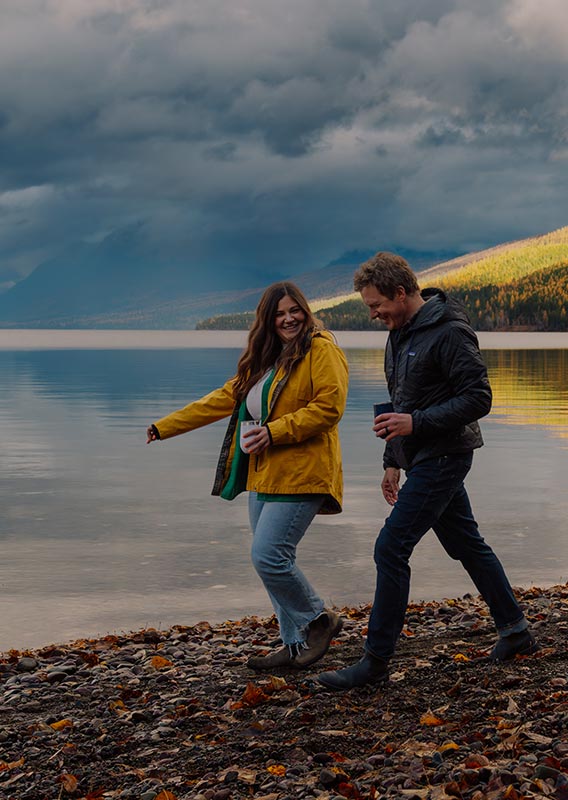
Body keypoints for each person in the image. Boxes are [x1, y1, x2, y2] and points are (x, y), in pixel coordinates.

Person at [316, 252, 538, 691]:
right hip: (419, 458)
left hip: (446, 455)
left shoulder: (449, 331)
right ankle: (515, 631)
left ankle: (375, 662)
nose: (373, 314)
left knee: (390, 547)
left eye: (376, 304)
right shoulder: (399, 332)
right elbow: (400, 403)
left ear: (401, 293)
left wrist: (416, 423)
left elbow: (479, 397)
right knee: (467, 544)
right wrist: (391, 461)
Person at [147, 282, 348, 671]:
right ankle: (294, 644)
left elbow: (329, 407)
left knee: (268, 556)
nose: (288, 319)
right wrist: (165, 427)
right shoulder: (268, 358)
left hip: (303, 472)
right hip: (264, 474)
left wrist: (274, 431)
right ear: (267, 320)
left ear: (306, 311)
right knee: (271, 561)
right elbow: (224, 398)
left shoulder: (321, 349)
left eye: (294, 310)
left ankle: (319, 620)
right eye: (279, 314)